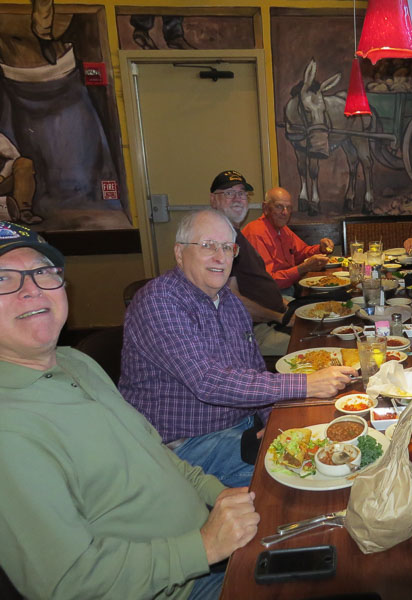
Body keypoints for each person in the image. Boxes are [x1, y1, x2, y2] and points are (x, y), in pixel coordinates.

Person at [0, 221, 259, 599]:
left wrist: (219, 493)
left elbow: (155, 451)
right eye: (4, 279)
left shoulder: (75, 362)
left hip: (207, 544)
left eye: (42, 272)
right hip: (181, 586)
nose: (32, 291)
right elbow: (70, 584)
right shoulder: (11, 430)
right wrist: (203, 547)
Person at [119, 209, 354, 488]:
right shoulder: (160, 301)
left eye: (228, 248)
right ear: (179, 253)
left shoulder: (228, 301)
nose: (220, 257)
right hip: (179, 446)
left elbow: (253, 370)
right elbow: (208, 381)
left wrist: (272, 421)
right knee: (308, 475)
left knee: (334, 447)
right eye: (207, 246)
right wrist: (306, 384)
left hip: (240, 424)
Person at [209, 170, 290, 355]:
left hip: (271, 317)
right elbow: (232, 302)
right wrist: (280, 317)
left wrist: (283, 305)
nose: (237, 198)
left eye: (242, 193)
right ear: (213, 200)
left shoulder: (235, 234)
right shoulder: (219, 240)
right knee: (313, 343)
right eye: (229, 193)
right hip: (253, 332)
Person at [242, 186, 334, 293]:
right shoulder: (255, 233)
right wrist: (302, 269)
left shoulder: (283, 229)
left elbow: (301, 253)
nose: (285, 212)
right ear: (265, 208)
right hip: (271, 293)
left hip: (290, 286)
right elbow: (266, 282)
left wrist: (321, 249)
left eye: (288, 207)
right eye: (279, 206)